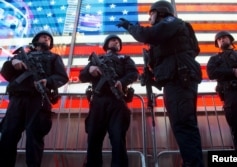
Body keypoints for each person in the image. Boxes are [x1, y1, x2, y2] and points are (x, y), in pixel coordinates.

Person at [116, 1, 204, 166]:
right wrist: (150, 75)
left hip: (180, 80)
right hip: (175, 81)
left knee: (184, 126)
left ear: (161, 12)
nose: (149, 17)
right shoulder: (166, 35)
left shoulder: (171, 22)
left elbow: (147, 35)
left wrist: (130, 26)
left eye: (151, 13)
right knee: (182, 125)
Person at [0, 30, 69, 167]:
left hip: (39, 100)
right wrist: (13, 62)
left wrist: (47, 81)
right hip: (18, 99)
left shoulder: (54, 57)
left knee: (34, 139)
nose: (46, 39)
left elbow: (62, 77)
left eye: (49, 38)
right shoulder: (21, 56)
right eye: (44, 37)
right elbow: (6, 73)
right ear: (36, 39)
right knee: (8, 137)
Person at [79, 34, 139, 167]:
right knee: (94, 138)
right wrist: (90, 69)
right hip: (98, 101)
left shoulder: (125, 59)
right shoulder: (97, 59)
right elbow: (81, 76)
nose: (116, 42)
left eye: (118, 41)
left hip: (117, 100)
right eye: (113, 40)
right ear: (107, 43)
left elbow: (134, 74)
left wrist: (121, 82)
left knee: (118, 139)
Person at [207, 31, 237, 152]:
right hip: (233, 97)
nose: (221, 40)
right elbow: (212, 73)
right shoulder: (215, 59)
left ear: (231, 39)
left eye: (224, 37)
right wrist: (233, 71)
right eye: (219, 39)